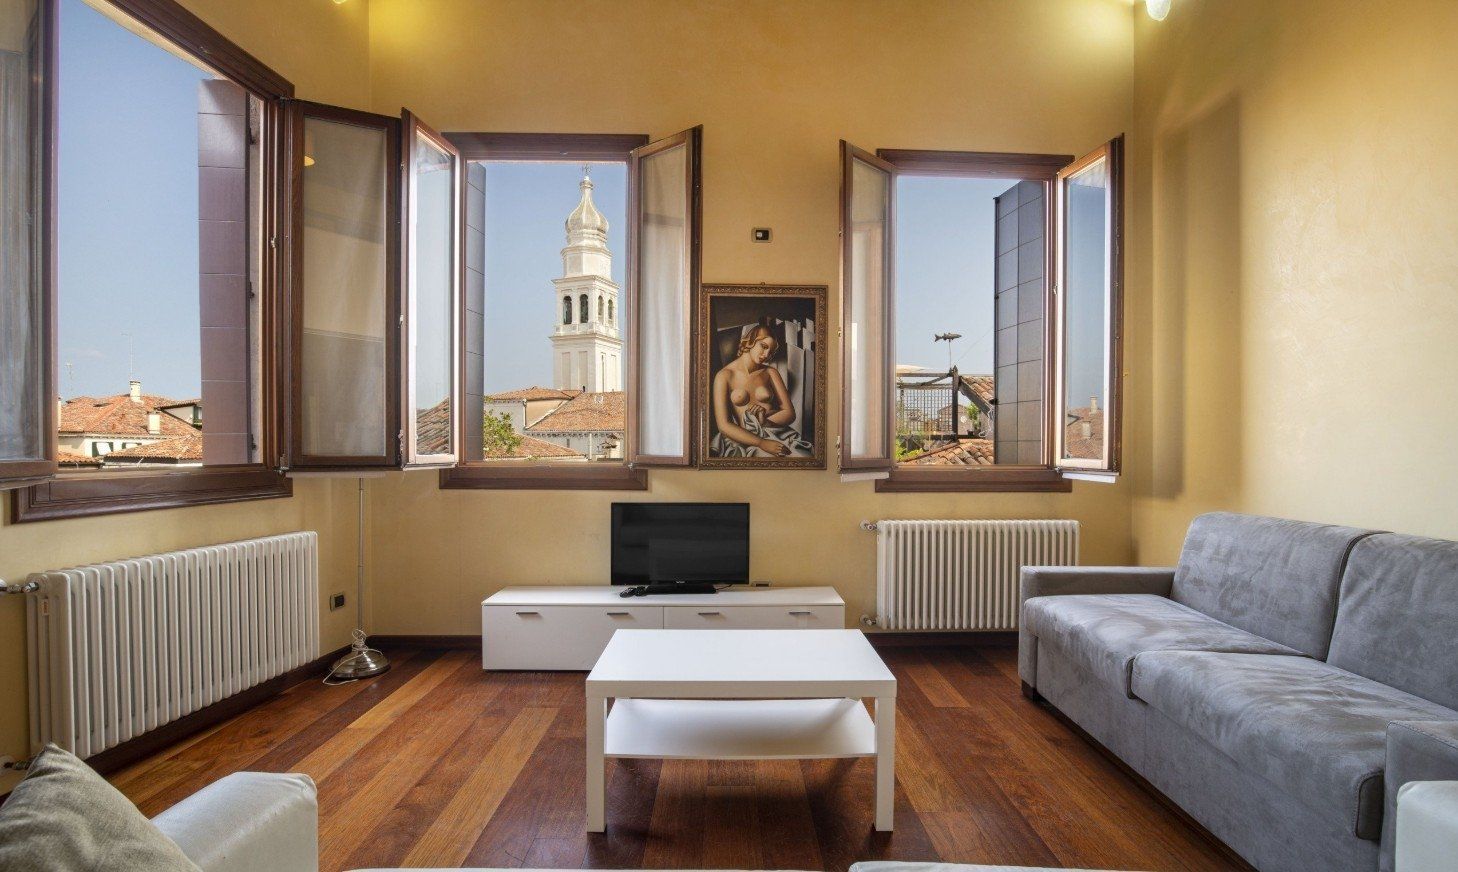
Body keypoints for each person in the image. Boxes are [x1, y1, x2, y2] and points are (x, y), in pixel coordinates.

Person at [710, 322, 813, 458]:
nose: (766, 355)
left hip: (775, 431)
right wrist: (761, 442)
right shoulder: (724, 375)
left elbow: (789, 413)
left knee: (803, 456)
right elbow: (723, 425)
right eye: (763, 347)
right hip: (745, 439)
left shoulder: (771, 372)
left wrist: (766, 422)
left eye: (770, 352)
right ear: (751, 341)